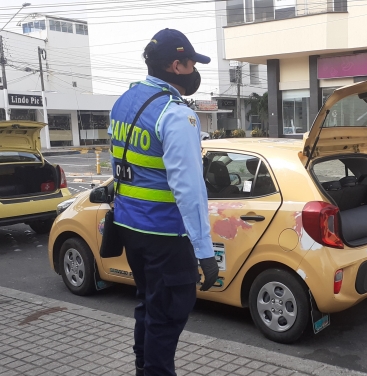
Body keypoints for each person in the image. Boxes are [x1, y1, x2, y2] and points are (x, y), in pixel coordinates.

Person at [108, 28, 219, 376]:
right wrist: (205, 253)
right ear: (177, 65)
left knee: (149, 306)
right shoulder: (176, 115)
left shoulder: (124, 102)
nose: (194, 70)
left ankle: (144, 368)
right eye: (191, 63)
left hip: (129, 228)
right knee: (168, 313)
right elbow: (189, 191)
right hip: (164, 237)